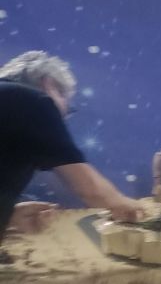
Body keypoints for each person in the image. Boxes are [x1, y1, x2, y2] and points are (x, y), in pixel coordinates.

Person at [0, 50, 142, 245]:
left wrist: (9, 215)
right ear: (49, 84)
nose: (63, 117)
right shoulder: (33, 101)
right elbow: (91, 190)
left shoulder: (8, 105)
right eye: (65, 103)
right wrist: (128, 206)